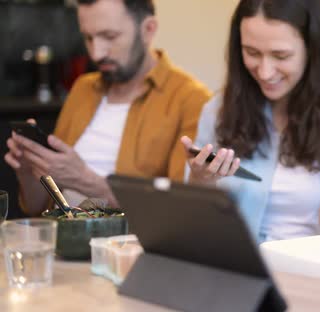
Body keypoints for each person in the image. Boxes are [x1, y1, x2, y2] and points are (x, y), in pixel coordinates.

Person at [181, 0, 320, 243]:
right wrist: (200, 181)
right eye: (252, 53)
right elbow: (194, 227)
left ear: (313, 49)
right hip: (237, 273)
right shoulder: (218, 111)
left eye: (281, 56)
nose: (265, 72)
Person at [4, 0, 211, 216]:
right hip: (62, 239)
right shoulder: (83, 89)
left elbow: (180, 211)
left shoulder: (190, 99)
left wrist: (85, 180)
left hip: (125, 246)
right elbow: (38, 209)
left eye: (109, 37)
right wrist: (28, 172)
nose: (96, 53)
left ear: (148, 30)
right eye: (88, 37)